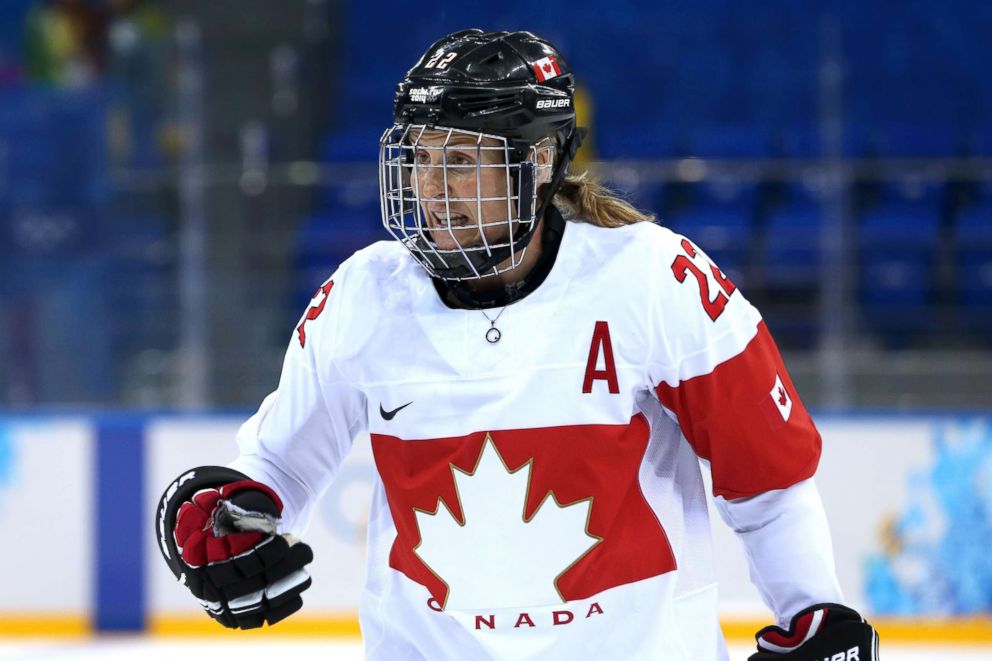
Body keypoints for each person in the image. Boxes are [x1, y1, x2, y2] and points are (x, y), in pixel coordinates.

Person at [156, 29, 879, 660]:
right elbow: (279, 463)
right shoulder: (364, 296)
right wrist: (234, 521)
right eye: (420, 157)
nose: (431, 187)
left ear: (536, 164)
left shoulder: (652, 278)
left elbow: (767, 479)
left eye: (461, 159)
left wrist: (812, 607)